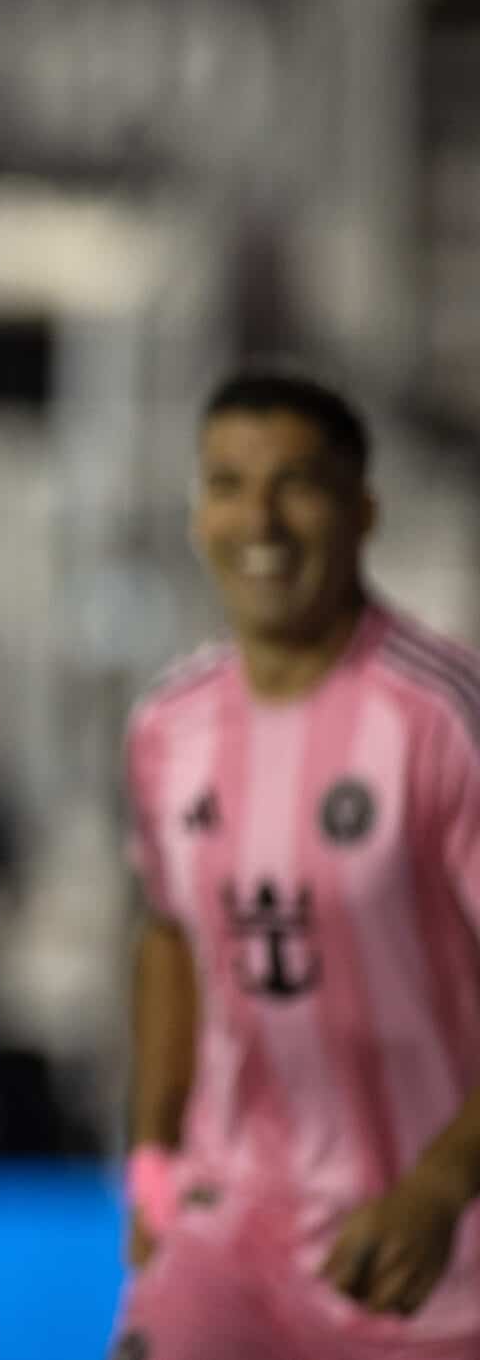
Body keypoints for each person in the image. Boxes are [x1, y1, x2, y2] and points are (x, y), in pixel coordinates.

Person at [114, 370, 480, 1360]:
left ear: (360, 510)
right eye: (226, 483)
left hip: (420, 1252)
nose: (258, 517)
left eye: (295, 484)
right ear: (197, 512)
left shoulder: (440, 715)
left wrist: (442, 1184)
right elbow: (166, 937)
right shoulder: (165, 725)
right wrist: (150, 1158)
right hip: (227, 1233)